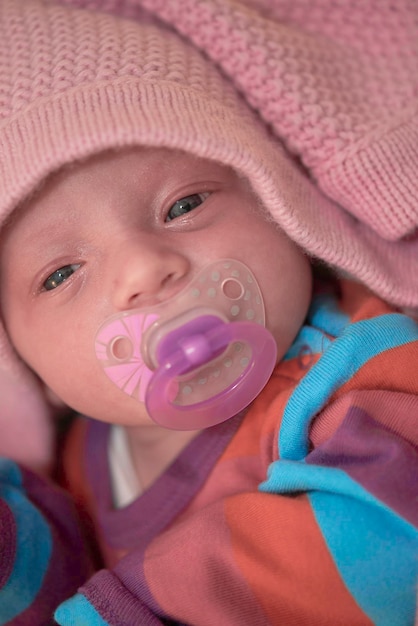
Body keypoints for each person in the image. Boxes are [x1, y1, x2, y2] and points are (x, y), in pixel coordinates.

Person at [0, 1, 417, 624]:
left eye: (184, 204)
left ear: (281, 204)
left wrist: (127, 609)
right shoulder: (85, 454)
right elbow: (61, 586)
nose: (144, 269)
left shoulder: (360, 369)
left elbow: (390, 536)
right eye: (60, 274)